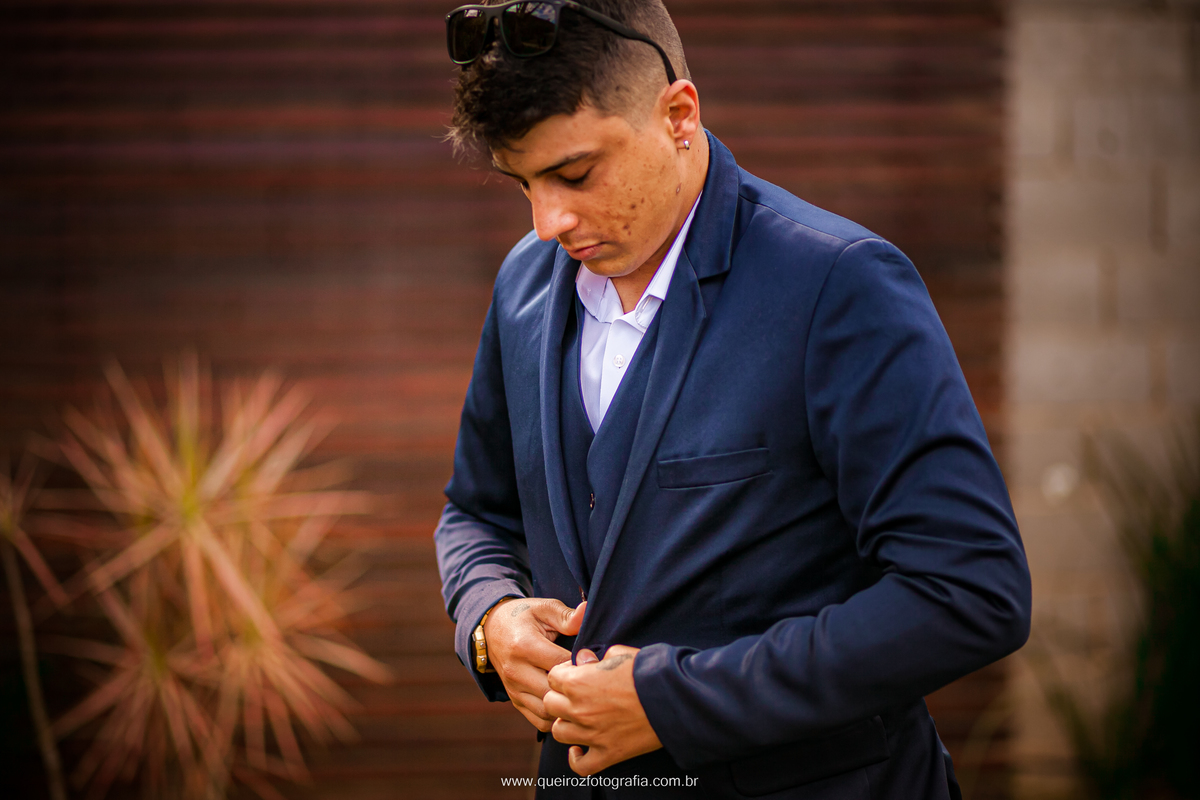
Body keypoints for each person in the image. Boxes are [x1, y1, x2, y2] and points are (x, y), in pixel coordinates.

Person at [433, 1, 1032, 798]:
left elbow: (969, 590)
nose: (549, 223)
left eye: (574, 174)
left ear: (679, 115)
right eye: (523, 183)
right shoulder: (524, 286)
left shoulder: (837, 284)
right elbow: (475, 511)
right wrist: (489, 618)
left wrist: (673, 702)